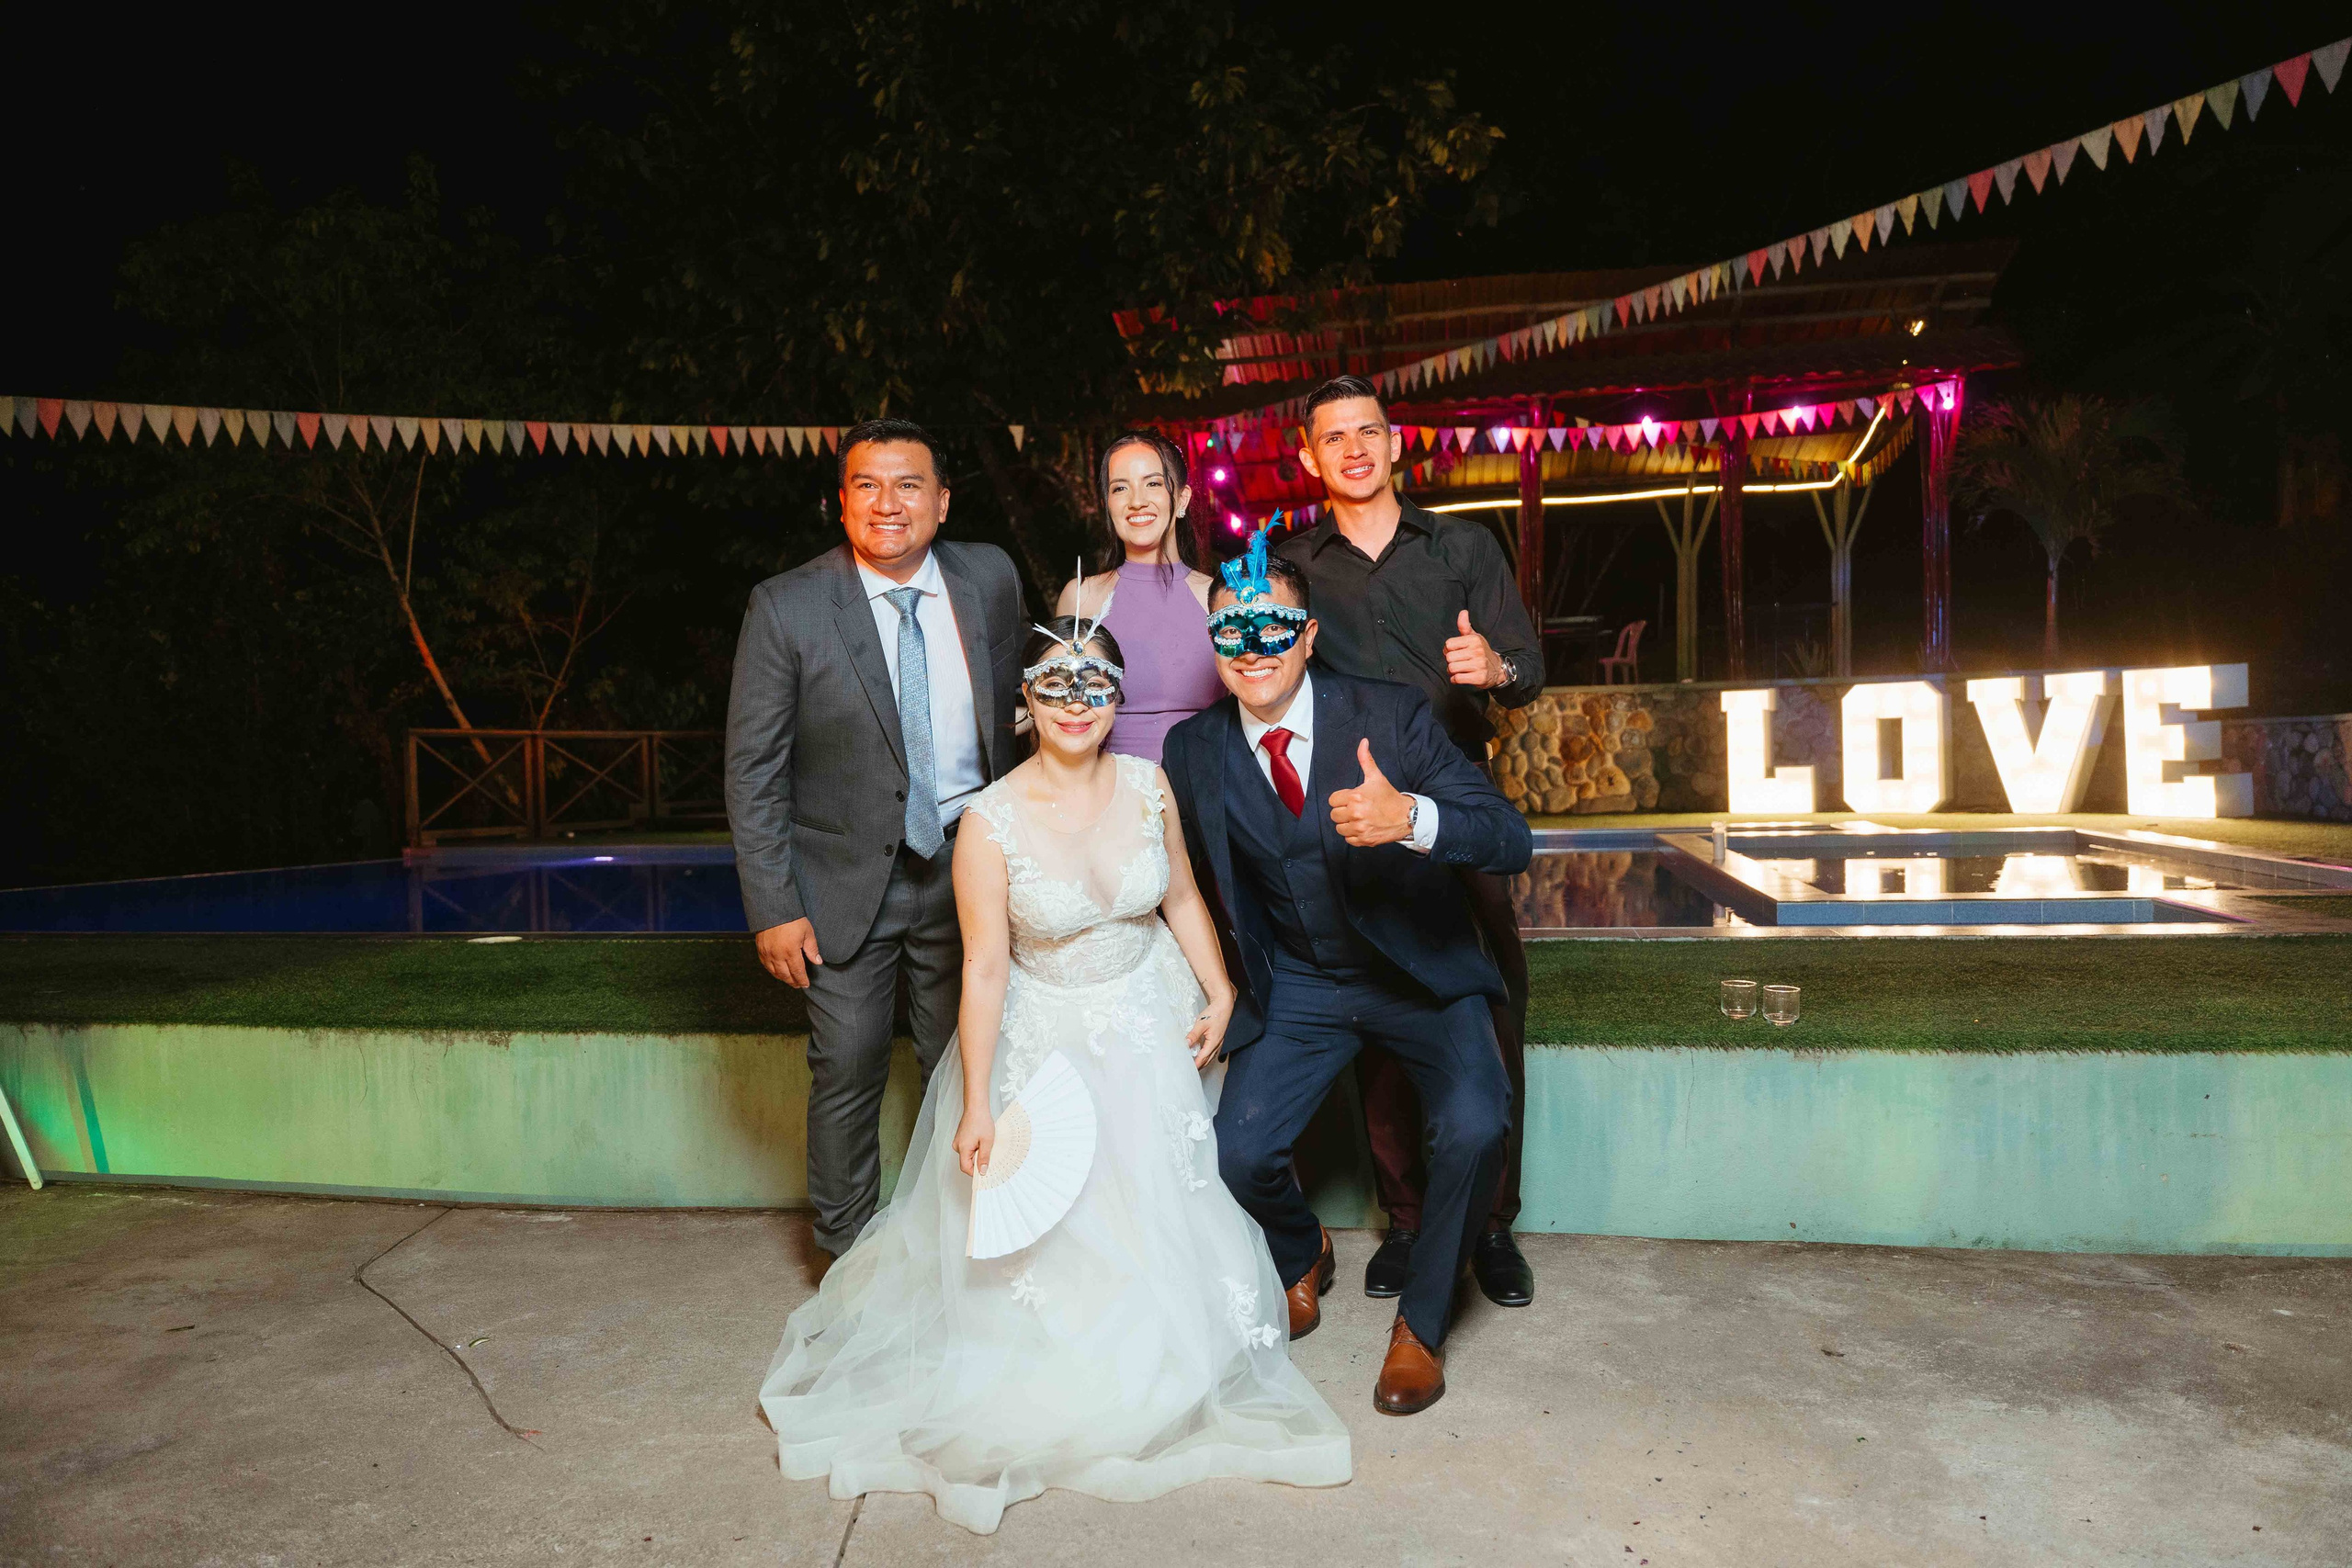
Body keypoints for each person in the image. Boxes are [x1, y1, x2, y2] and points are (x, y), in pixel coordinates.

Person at [761, 616, 1352, 1534]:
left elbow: (1184, 896)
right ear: (1024, 702)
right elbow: (987, 968)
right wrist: (984, 1099)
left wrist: (1222, 988)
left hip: (1154, 1021)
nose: (1076, 704)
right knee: (1060, 1230)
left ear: (1117, 699)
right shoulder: (987, 824)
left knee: (1165, 1194)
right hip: (1051, 1042)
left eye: (1096, 685)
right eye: (1054, 685)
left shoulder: (1151, 785)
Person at [1163, 532, 1532, 1416]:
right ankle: (1303, 1253)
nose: (1253, 650)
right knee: (1237, 1150)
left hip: (1421, 976)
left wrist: (1413, 816)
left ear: (1310, 635)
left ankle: (1423, 1322)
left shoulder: (1394, 715)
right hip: (1301, 986)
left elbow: (1510, 838)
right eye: (1231, 633)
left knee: (1476, 1125)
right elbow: (1178, 881)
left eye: (1274, 627)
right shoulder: (1192, 748)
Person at [1273, 374, 1545, 1312]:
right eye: (1332, 437)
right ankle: (1409, 1220)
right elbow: (1263, 666)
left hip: (1459, 803)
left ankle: (1493, 1224)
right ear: (1309, 458)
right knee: (1378, 1013)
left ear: (1395, 446)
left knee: (1492, 1005)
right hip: (1353, 818)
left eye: (1368, 432)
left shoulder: (1462, 545)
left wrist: (1495, 666)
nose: (1352, 448)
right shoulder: (1291, 559)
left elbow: (1528, 665)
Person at [724, 417, 1027, 1258]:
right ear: (841, 500)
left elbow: (1018, 713)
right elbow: (752, 770)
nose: (887, 504)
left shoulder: (990, 577)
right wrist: (773, 905)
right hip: (845, 881)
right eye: (867, 485)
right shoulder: (787, 606)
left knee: (964, 1064)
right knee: (849, 1070)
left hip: (971, 864)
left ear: (941, 501)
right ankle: (850, 1262)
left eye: (907, 485)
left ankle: (963, 1245)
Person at [1056, 428, 1224, 764]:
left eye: (1153, 483)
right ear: (1108, 504)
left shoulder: (1216, 596)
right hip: (1108, 794)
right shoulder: (1082, 596)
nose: (1136, 501)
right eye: (1120, 488)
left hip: (1204, 789)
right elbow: (1058, 709)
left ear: (1183, 499)